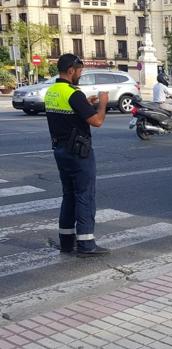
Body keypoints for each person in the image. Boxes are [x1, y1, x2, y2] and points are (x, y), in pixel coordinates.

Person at [44, 53, 110, 257]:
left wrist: (86, 102)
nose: (80, 75)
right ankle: (86, 244)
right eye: (80, 71)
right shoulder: (74, 93)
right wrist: (102, 103)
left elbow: (71, 112)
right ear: (71, 70)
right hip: (79, 152)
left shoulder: (52, 91)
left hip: (60, 150)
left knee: (69, 195)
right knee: (85, 195)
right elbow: (97, 121)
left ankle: (66, 241)